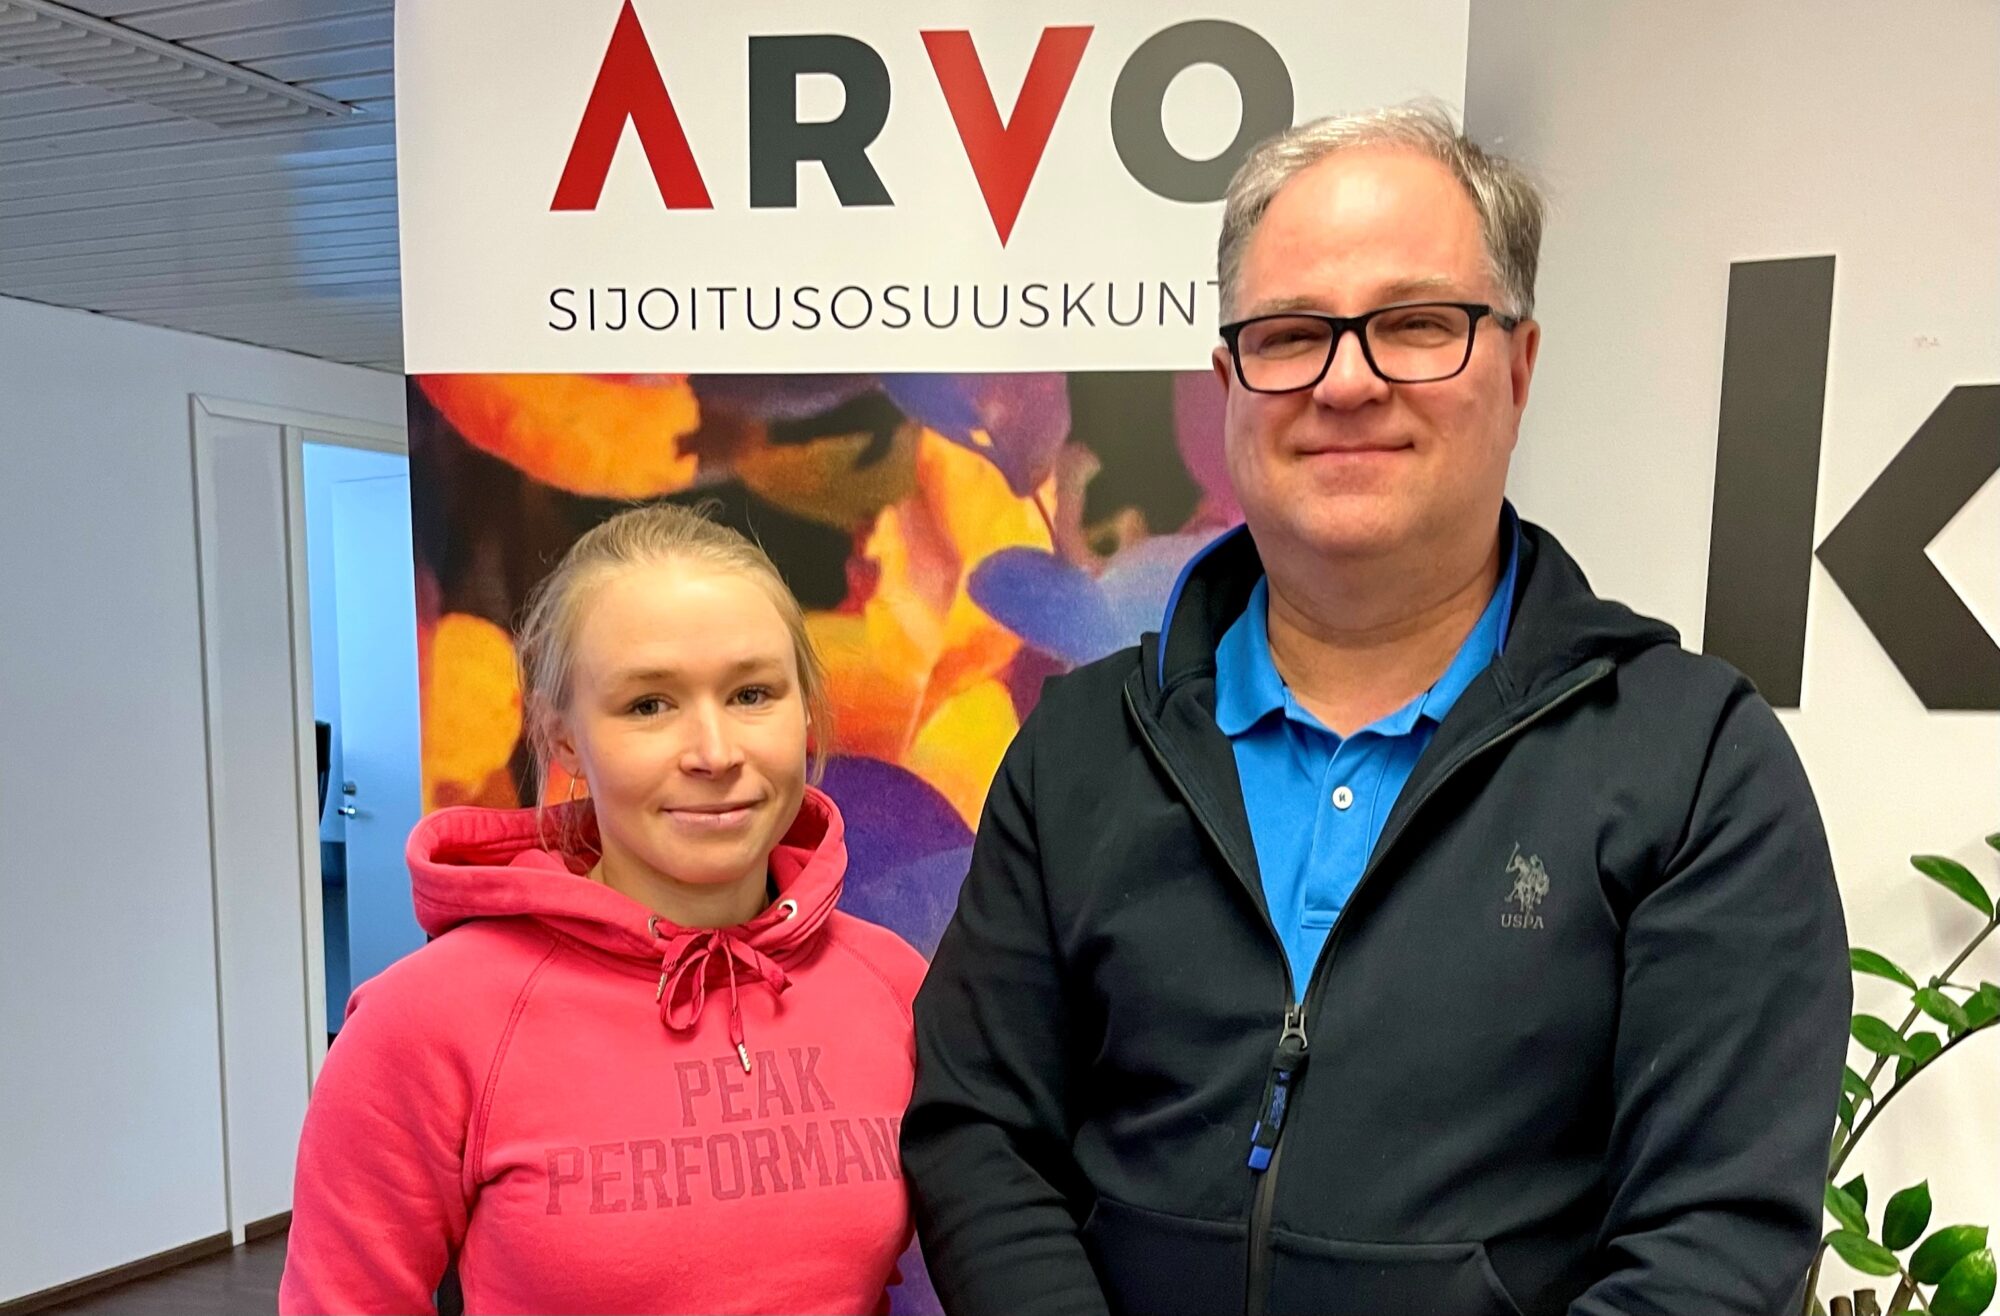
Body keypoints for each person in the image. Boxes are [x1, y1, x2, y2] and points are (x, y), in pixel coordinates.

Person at [902, 102, 1850, 1316]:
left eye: (1413, 324)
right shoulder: (1081, 747)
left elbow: (1713, 1234)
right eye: (1291, 334)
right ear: (1228, 383)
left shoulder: (1690, 760)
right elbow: (981, 1135)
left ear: (1517, 365)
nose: (1344, 382)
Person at [282, 503, 928, 1315]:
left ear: (805, 710)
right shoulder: (425, 1023)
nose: (715, 752)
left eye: (752, 693)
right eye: (648, 705)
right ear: (562, 739)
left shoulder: (894, 986)